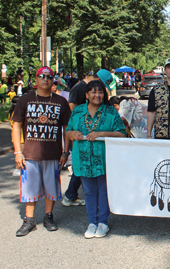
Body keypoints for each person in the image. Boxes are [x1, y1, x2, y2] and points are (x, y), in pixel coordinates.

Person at [12, 66, 71, 236]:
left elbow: (67, 128)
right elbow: (16, 126)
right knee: (30, 188)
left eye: (49, 77)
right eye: (42, 76)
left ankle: (48, 216)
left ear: (54, 81)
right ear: (36, 80)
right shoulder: (25, 100)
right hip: (30, 154)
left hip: (53, 154)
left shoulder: (60, 102)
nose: (46, 79)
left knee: (51, 187)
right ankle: (29, 220)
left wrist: (65, 152)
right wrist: (17, 151)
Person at [66, 80, 127, 238]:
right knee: (89, 192)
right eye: (93, 92)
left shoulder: (110, 112)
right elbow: (68, 131)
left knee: (104, 191)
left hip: (105, 159)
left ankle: (103, 223)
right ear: (86, 94)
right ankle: (92, 222)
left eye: (100, 92)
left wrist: (101, 133)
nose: (97, 95)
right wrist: (73, 134)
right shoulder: (78, 111)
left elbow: (122, 133)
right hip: (84, 159)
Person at [64, 69, 114, 207]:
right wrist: (74, 131)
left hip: (90, 135)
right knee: (81, 166)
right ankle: (70, 195)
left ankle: (71, 194)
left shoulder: (83, 88)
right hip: (81, 135)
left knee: (86, 166)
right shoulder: (79, 89)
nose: (98, 93)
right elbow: (72, 111)